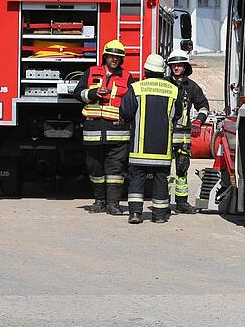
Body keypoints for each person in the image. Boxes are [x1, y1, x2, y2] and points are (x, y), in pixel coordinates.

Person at [119, 54, 182, 225]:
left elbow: (125, 111)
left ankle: (135, 214)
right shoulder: (173, 90)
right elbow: (177, 115)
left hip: (139, 148)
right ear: (163, 71)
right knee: (161, 179)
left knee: (136, 179)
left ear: (146, 70)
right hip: (163, 149)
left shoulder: (137, 87)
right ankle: (160, 215)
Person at [72, 40, 133, 215]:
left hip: (117, 131)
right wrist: (92, 93)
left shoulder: (127, 76)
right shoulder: (90, 72)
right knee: (95, 168)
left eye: (118, 57)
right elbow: (78, 93)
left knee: (115, 170)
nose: (114, 59)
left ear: (121, 59)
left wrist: (126, 118)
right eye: (111, 56)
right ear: (105, 56)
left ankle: (113, 204)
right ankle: (99, 201)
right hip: (93, 130)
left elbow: (131, 102)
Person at [166, 50, 210, 214]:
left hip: (183, 135)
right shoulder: (164, 83)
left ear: (185, 67)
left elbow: (204, 106)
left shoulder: (192, 87)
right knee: (163, 171)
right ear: (170, 66)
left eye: (180, 65)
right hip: (166, 134)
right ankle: (163, 202)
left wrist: (198, 121)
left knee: (182, 170)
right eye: (174, 65)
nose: (176, 67)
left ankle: (182, 202)